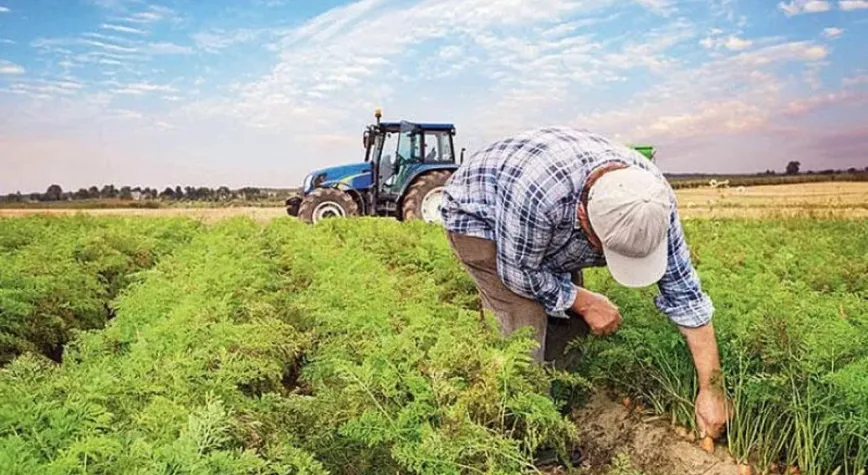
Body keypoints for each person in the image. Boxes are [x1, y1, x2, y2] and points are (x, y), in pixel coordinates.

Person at [439, 126, 729, 440]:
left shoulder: (652, 200)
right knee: (524, 329)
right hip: (481, 218)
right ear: (583, 217)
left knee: (570, 324)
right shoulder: (539, 196)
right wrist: (585, 301)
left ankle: (560, 404)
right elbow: (519, 274)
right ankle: (525, 431)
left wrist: (712, 389)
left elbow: (686, 296)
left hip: (544, 220)